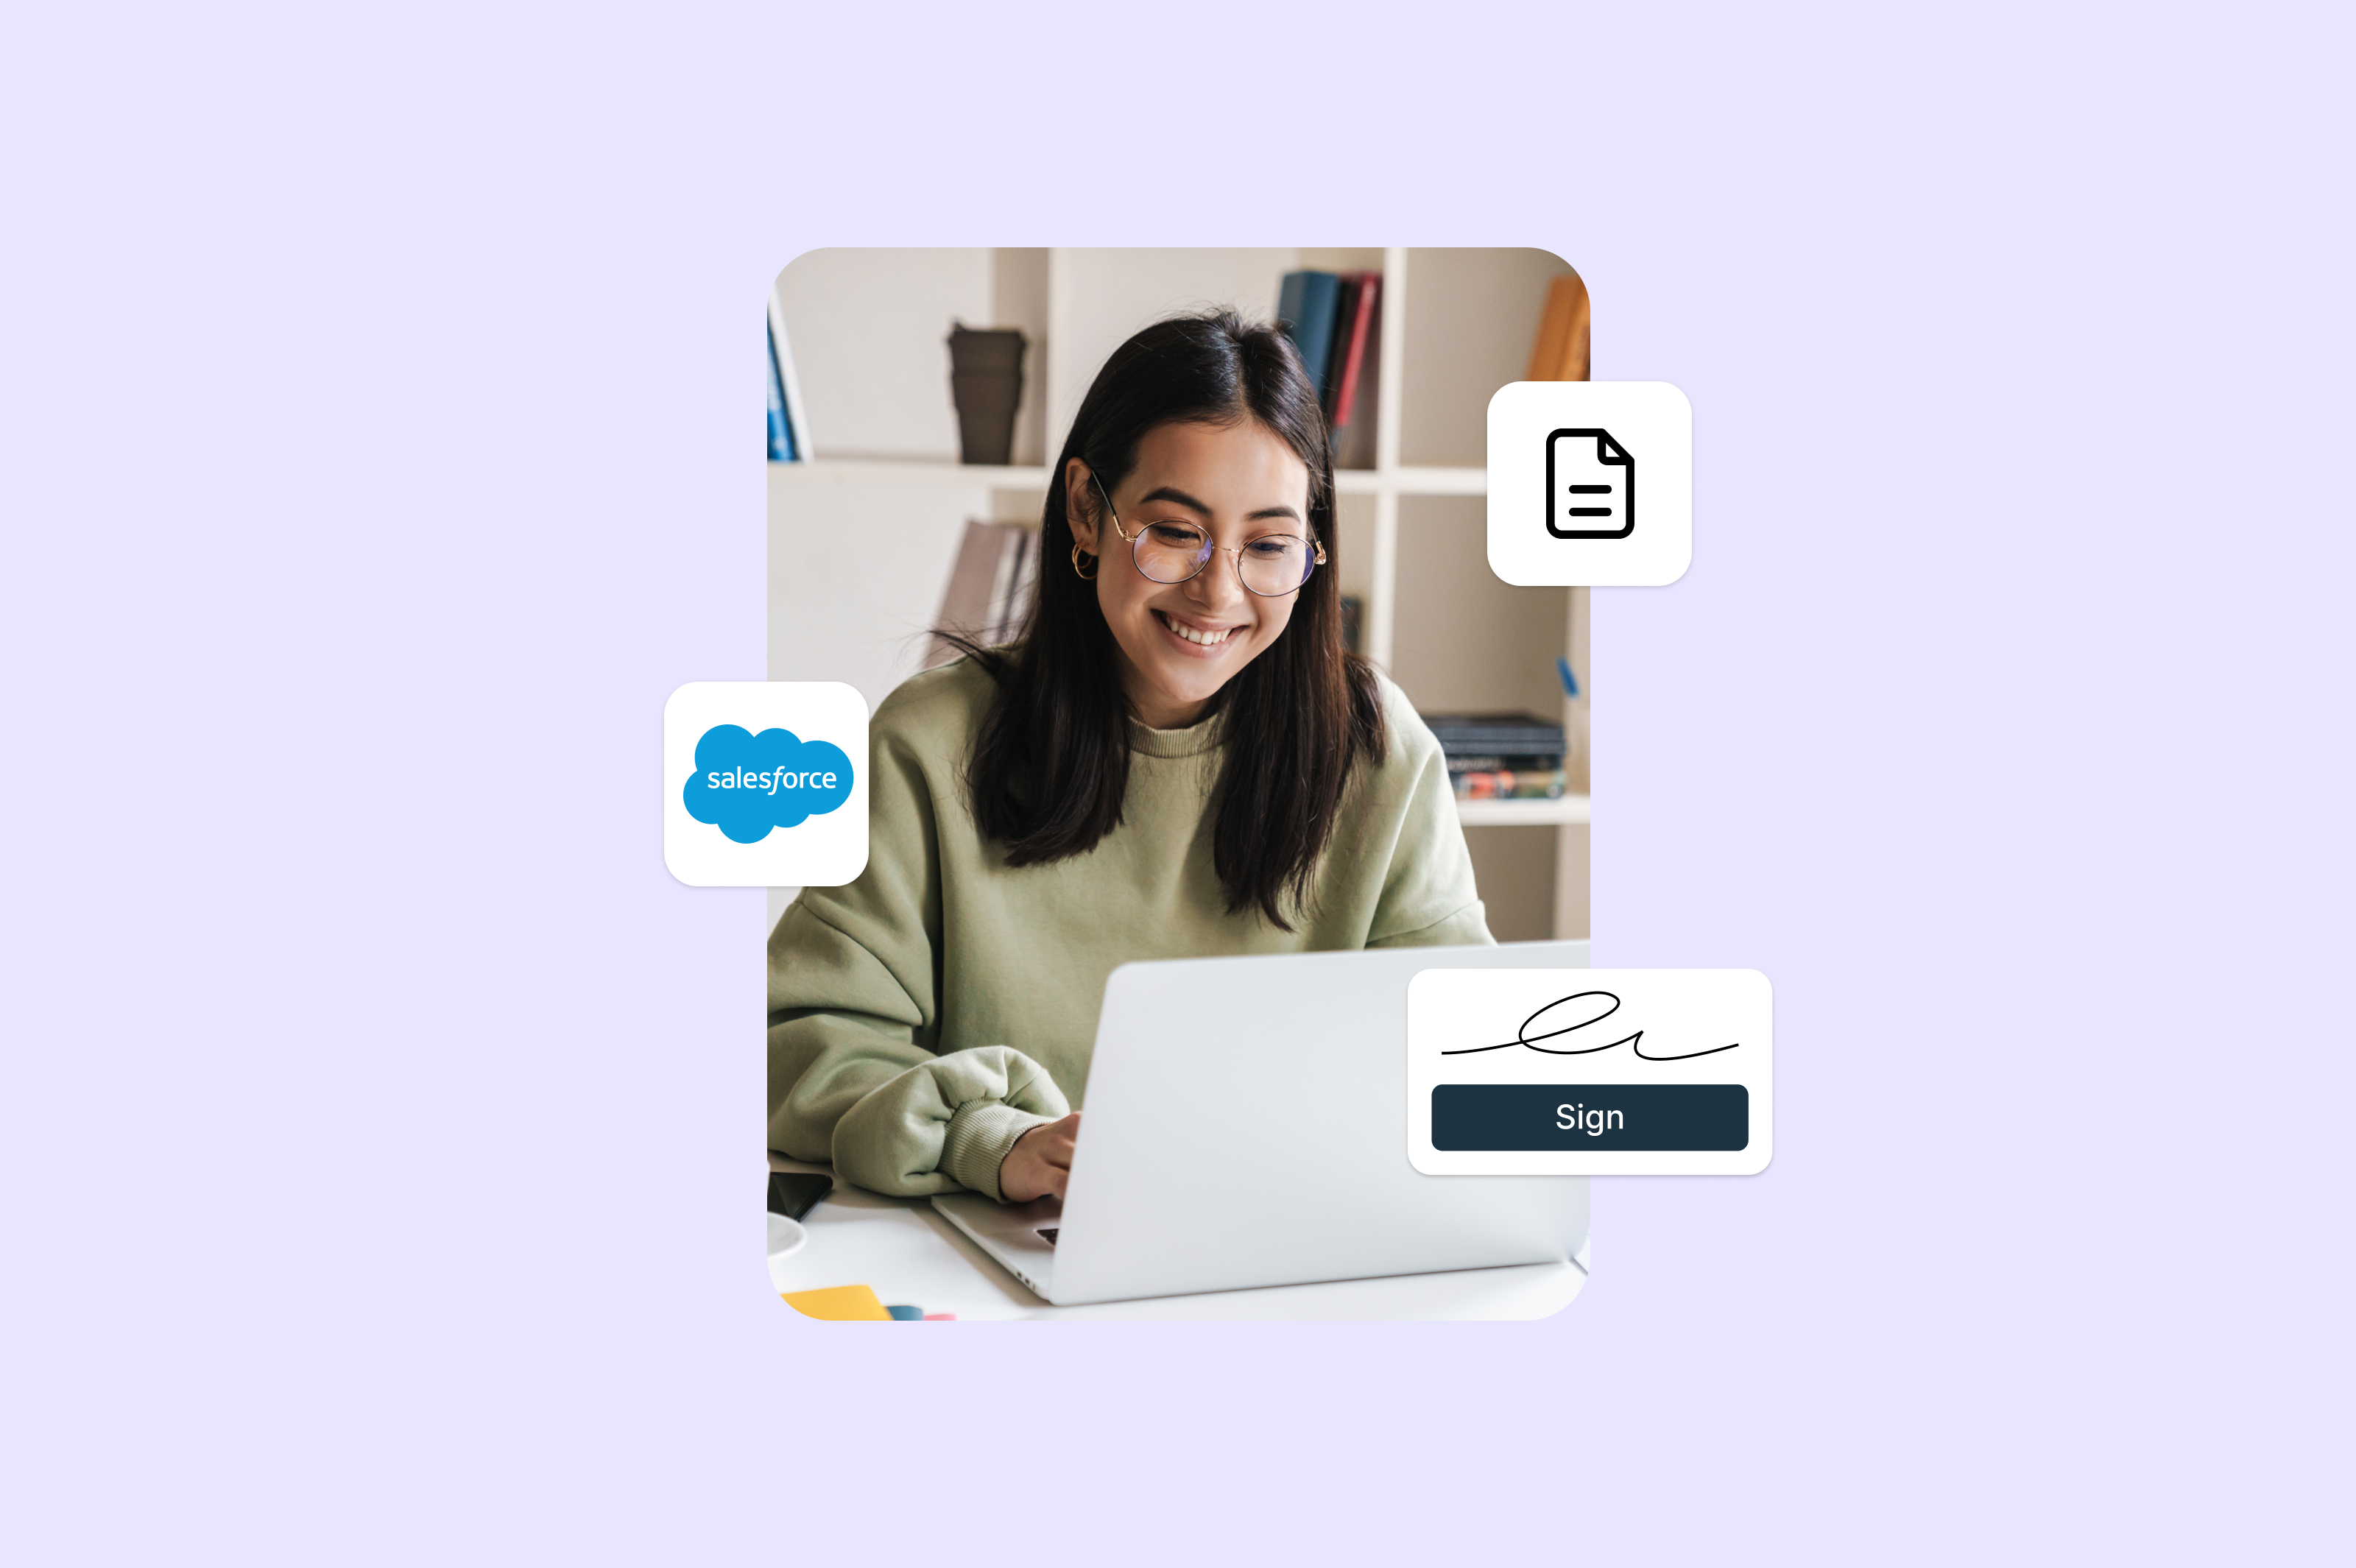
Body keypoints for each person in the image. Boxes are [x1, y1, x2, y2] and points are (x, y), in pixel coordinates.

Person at [766, 310, 1491, 1204]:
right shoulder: (928, 743)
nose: (1218, 592)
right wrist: (991, 1139)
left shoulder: (1379, 752)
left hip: (1297, 1233)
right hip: (1001, 1245)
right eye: (1175, 531)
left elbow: (1461, 1050)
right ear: (1085, 509)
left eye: (1267, 546)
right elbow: (802, 1040)